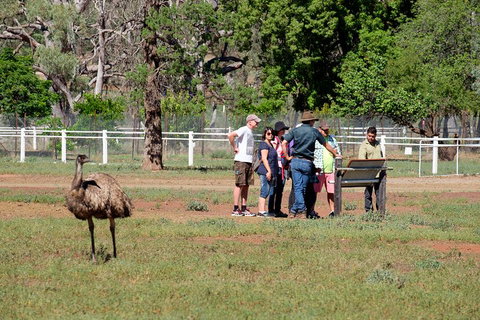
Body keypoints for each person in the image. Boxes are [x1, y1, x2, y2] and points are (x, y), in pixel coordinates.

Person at [282, 111, 339, 217]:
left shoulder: (295, 130)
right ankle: (298, 210)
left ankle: (297, 209)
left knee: (299, 187)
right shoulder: (314, 132)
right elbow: (326, 144)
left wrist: (287, 156)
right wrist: (335, 153)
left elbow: (284, 142)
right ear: (311, 121)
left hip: (295, 161)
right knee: (302, 187)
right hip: (307, 162)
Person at [228, 114, 261, 216]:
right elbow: (230, 135)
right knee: (239, 184)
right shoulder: (244, 129)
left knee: (246, 185)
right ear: (249, 121)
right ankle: (235, 208)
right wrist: (235, 147)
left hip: (248, 161)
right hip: (241, 161)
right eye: (255, 121)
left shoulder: (250, 132)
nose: (257, 123)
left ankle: (244, 208)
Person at [313, 121, 341, 217]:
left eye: (327, 129)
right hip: (319, 170)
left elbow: (338, 152)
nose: (326, 131)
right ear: (319, 129)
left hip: (331, 170)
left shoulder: (332, 140)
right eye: (324, 130)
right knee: (314, 191)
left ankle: (333, 211)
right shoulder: (315, 140)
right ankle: (311, 210)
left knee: (331, 192)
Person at [358, 126, 384, 212]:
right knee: (368, 193)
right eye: (369, 136)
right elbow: (361, 159)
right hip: (369, 173)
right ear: (366, 135)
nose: (371, 138)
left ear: (375, 136)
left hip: (378, 172)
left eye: (373, 136)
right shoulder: (363, 145)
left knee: (379, 193)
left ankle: (380, 210)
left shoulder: (378, 144)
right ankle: (368, 211)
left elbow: (381, 156)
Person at [268, 121, 290, 218]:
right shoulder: (274, 140)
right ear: (279, 130)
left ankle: (277, 210)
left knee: (280, 190)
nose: (284, 131)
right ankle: (271, 210)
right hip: (276, 167)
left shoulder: (283, 140)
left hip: (282, 167)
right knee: (273, 189)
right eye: (283, 129)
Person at [256, 127, 278, 217]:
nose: (270, 135)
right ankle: (261, 211)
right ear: (264, 134)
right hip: (265, 171)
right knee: (264, 190)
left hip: (271, 171)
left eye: (272, 133)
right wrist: (268, 171)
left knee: (268, 190)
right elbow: (264, 159)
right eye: (268, 133)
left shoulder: (270, 145)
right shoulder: (264, 145)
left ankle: (264, 211)